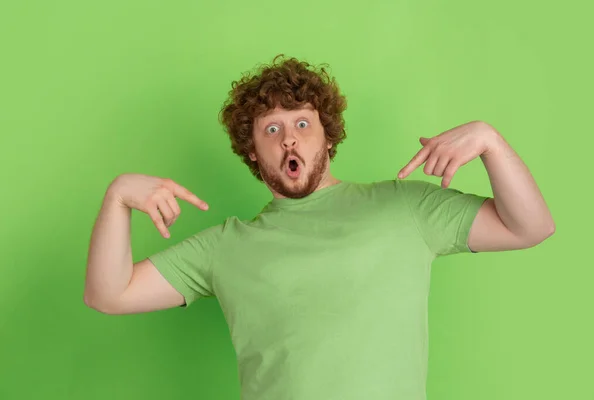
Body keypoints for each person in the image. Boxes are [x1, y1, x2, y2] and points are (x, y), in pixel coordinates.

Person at [84, 54, 555, 400]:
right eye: (271, 129)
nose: (289, 137)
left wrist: (491, 142)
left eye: (303, 123)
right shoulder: (225, 247)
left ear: (328, 137)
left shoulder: (405, 208)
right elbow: (109, 294)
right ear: (251, 151)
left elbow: (529, 227)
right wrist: (118, 197)